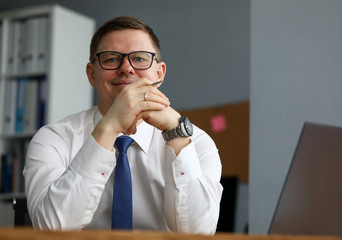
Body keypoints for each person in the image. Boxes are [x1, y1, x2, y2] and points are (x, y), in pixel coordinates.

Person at [24, 16, 223, 234]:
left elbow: (198, 234)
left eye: (139, 59)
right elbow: (51, 229)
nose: (126, 68)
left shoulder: (197, 143)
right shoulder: (53, 139)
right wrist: (109, 127)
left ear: (160, 73)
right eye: (111, 59)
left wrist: (176, 133)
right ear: (92, 74)